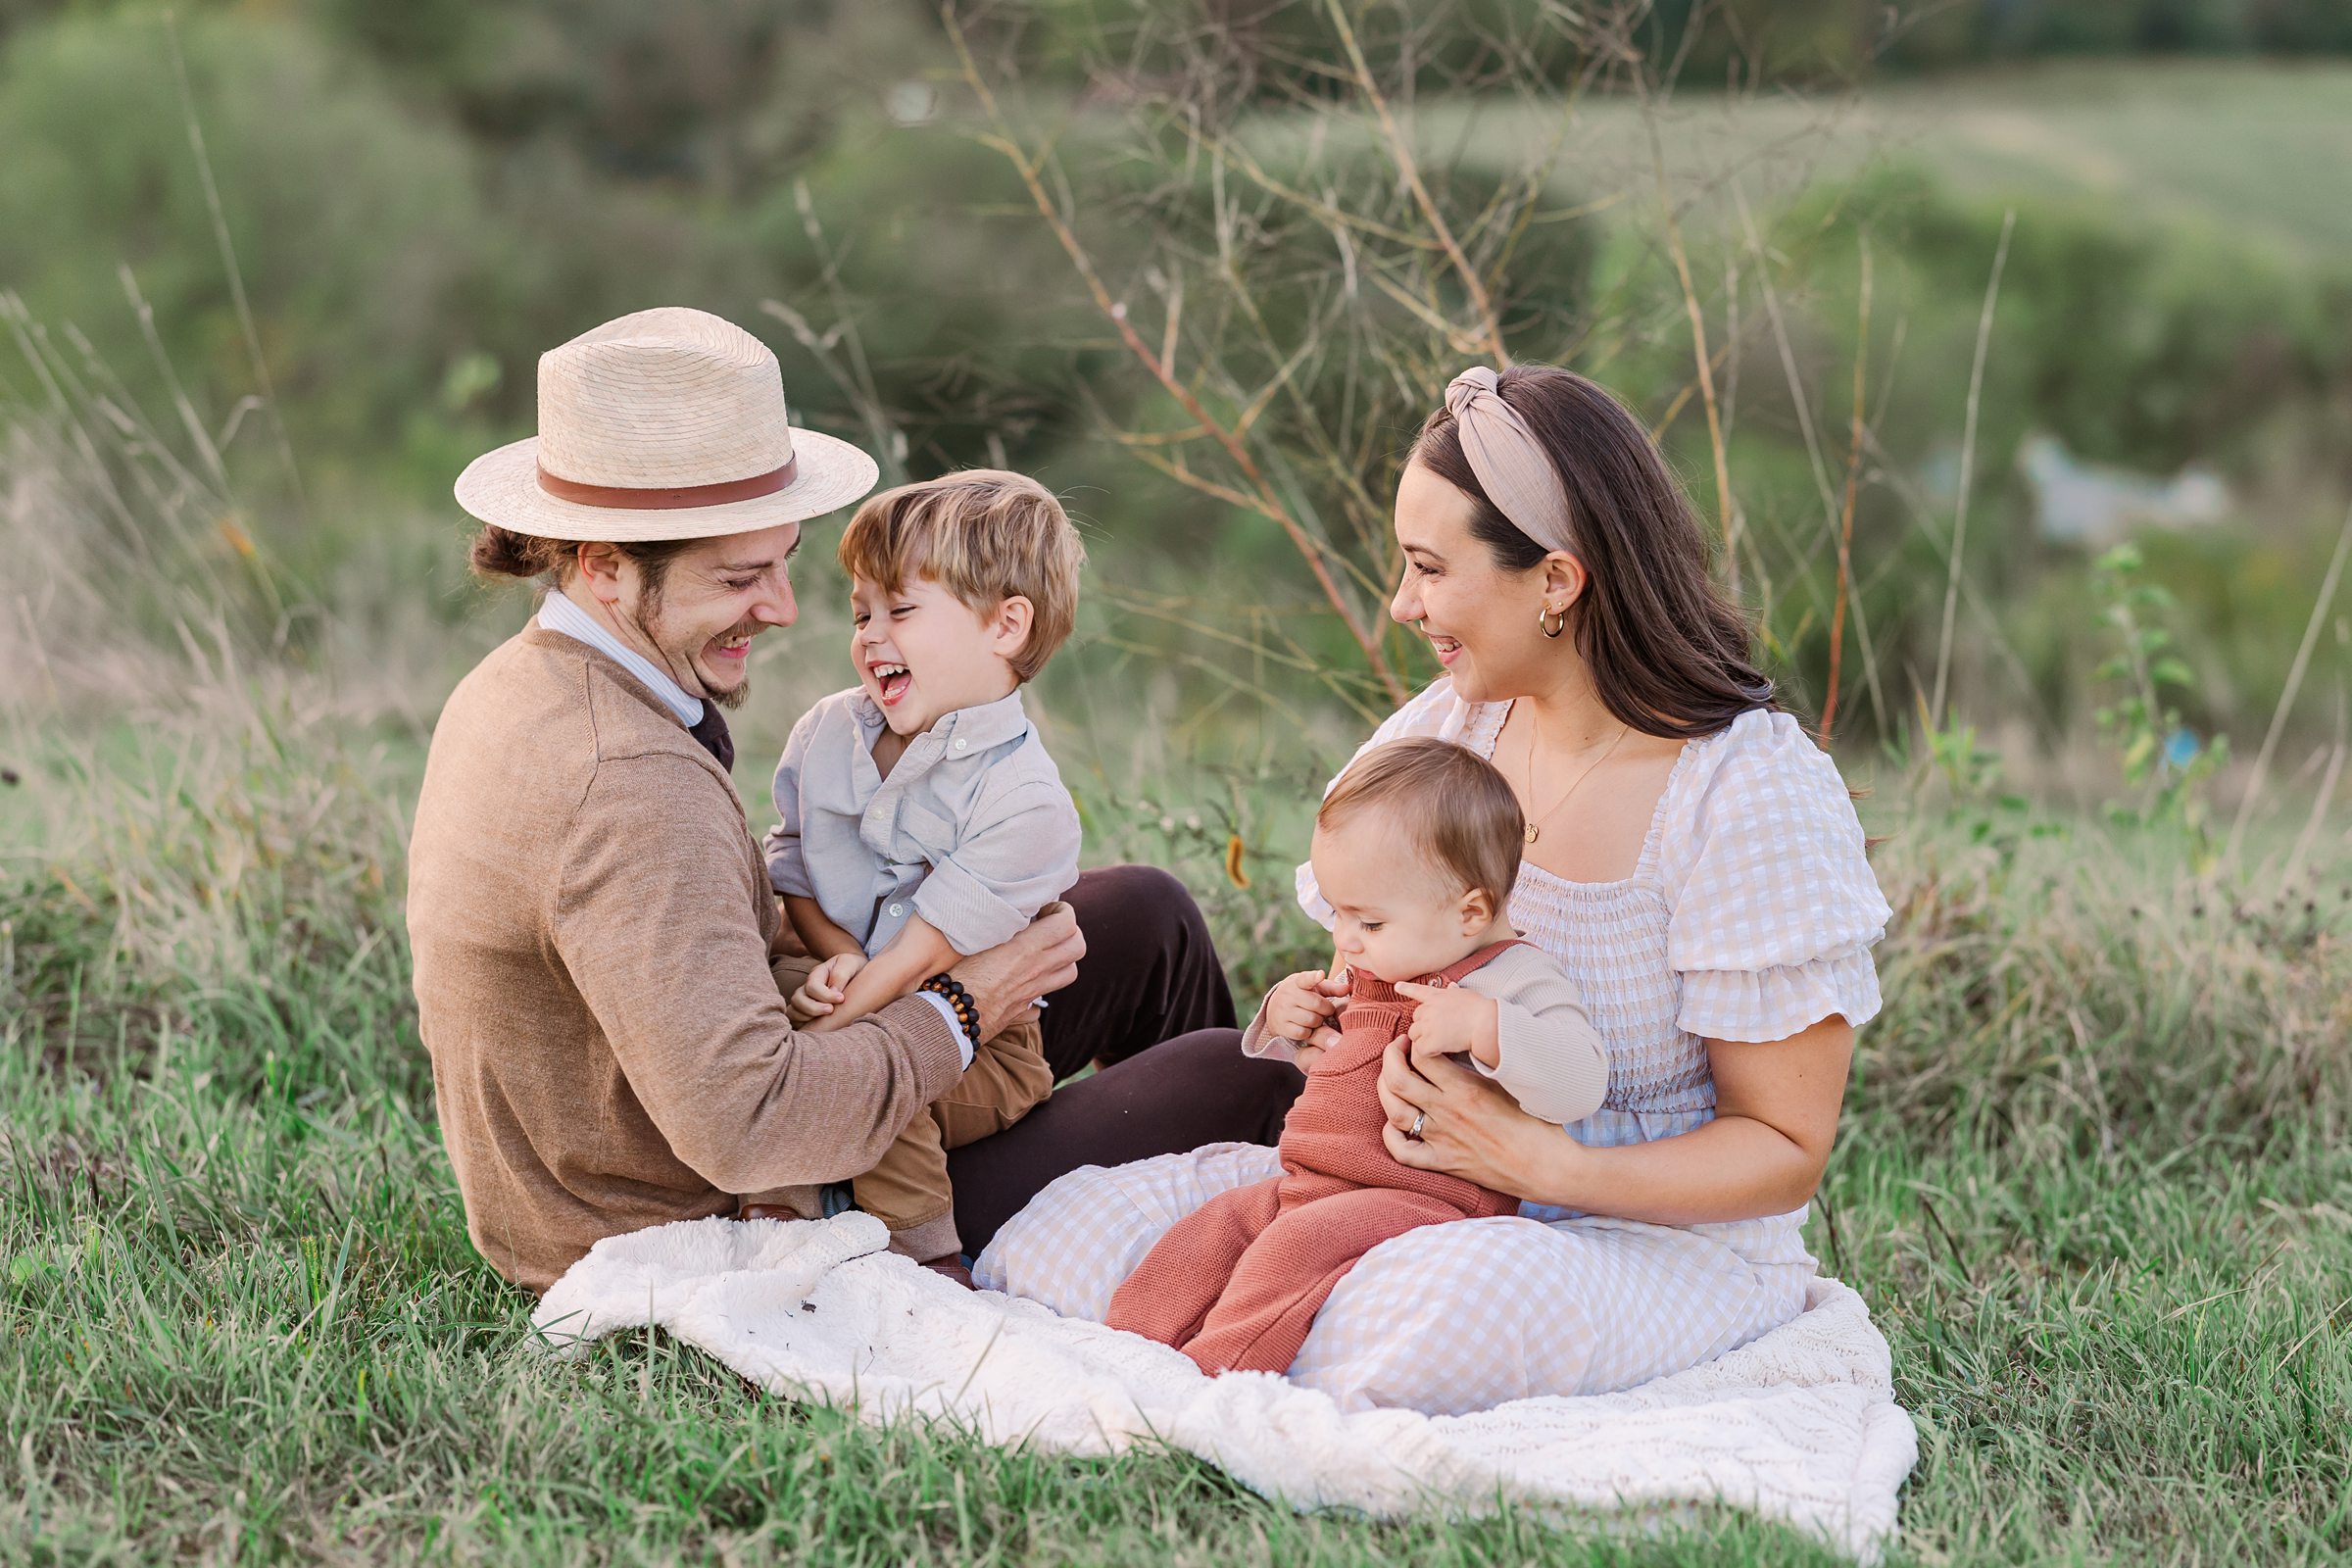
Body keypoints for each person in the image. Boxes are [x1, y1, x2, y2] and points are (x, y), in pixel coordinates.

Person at [978, 364, 1891, 1414]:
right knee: (1074, 1236)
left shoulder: (1745, 792)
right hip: (1392, 1190)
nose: (1402, 604)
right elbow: (1363, 977)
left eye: (1428, 569)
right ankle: (1224, 1344)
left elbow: (1782, 1151)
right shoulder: (1444, 736)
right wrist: (1322, 1027)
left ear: (1556, 580)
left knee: (1456, 1311)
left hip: (1640, 1234)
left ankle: (1232, 1366)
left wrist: (1544, 1162)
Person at [408, 307, 1298, 1293]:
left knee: (1147, 912)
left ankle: (1164, 1218)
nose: (786, 609)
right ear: (606, 564)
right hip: (734, 1206)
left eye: (784, 563)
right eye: (745, 576)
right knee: (1245, 1073)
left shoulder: (547, 677)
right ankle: (1228, 1245)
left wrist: (836, 969)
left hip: (736, 1096)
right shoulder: (621, 780)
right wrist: (965, 1004)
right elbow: (751, 1128)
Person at [1104, 738, 1604, 1375]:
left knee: (1293, 1250)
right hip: (1316, 1179)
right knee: (1214, 1227)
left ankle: (1219, 1375)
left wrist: (1489, 1028)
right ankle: (1127, 1347)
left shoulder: (1511, 981)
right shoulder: (1384, 962)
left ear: (1470, 912)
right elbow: (1333, 1062)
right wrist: (1287, 1016)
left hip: (1428, 1196)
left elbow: (1581, 1082)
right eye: (1339, 913)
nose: (1344, 938)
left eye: (1366, 922)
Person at [751, 470, 1088, 1265]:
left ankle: (922, 1263)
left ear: (1006, 626)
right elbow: (793, 868)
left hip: (975, 1039)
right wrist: (832, 960)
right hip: (843, 974)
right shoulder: (827, 732)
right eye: (861, 611)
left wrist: (800, 1054)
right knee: (738, 989)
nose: (871, 635)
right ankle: (783, 1197)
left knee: (880, 1077)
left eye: (901, 610)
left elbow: (916, 964)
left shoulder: (1026, 801)